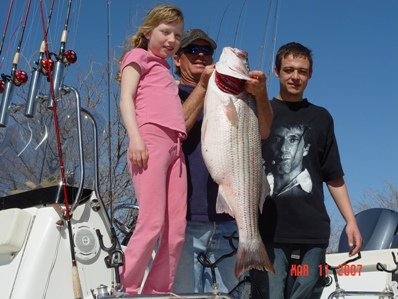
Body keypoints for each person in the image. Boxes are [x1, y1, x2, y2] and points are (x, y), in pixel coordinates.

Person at [250, 42, 362, 299]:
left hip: (313, 233)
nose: (295, 76)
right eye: (289, 69)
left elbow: (333, 175)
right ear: (276, 71)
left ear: (310, 75)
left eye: (302, 71)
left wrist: (351, 221)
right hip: (268, 230)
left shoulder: (322, 117)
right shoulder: (257, 110)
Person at [172, 29, 273, 294]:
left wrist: (260, 94)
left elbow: (264, 131)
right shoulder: (170, 92)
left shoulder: (242, 96)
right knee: (186, 296)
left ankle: (252, 246)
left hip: (230, 220)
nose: (201, 54)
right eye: (193, 50)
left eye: (207, 50)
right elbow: (176, 128)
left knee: (233, 295)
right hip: (186, 219)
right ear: (177, 59)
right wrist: (205, 86)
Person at [116, 5, 187, 294]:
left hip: (176, 146)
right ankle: (126, 287)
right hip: (150, 139)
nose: (172, 40)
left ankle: (157, 290)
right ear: (148, 32)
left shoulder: (167, 70)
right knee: (152, 220)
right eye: (165, 32)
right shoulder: (137, 57)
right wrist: (135, 138)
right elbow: (126, 99)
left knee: (177, 228)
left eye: (178, 35)